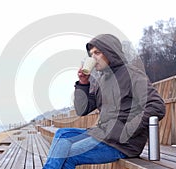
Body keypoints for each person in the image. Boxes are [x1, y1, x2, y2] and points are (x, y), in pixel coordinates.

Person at [42, 34, 166, 169]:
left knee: (67, 155)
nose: (93, 57)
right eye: (91, 54)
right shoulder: (102, 80)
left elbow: (156, 105)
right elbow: (82, 110)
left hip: (122, 144)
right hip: (102, 135)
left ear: (110, 52)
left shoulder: (132, 74)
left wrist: (126, 130)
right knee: (62, 134)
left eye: (97, 53)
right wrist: (83, 83)